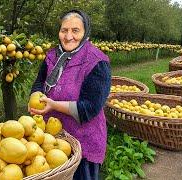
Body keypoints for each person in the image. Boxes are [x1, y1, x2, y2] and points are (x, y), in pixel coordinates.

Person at [28, 9, 111, 180]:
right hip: (50, 138)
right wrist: (35, 95)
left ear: (85, 32)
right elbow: (40, 81)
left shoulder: (97, 61)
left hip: (83, 142)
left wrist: (53, 105)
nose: (68, 36)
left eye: (75, 31)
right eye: (64, 30)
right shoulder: (52, 55)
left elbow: (90, 108)